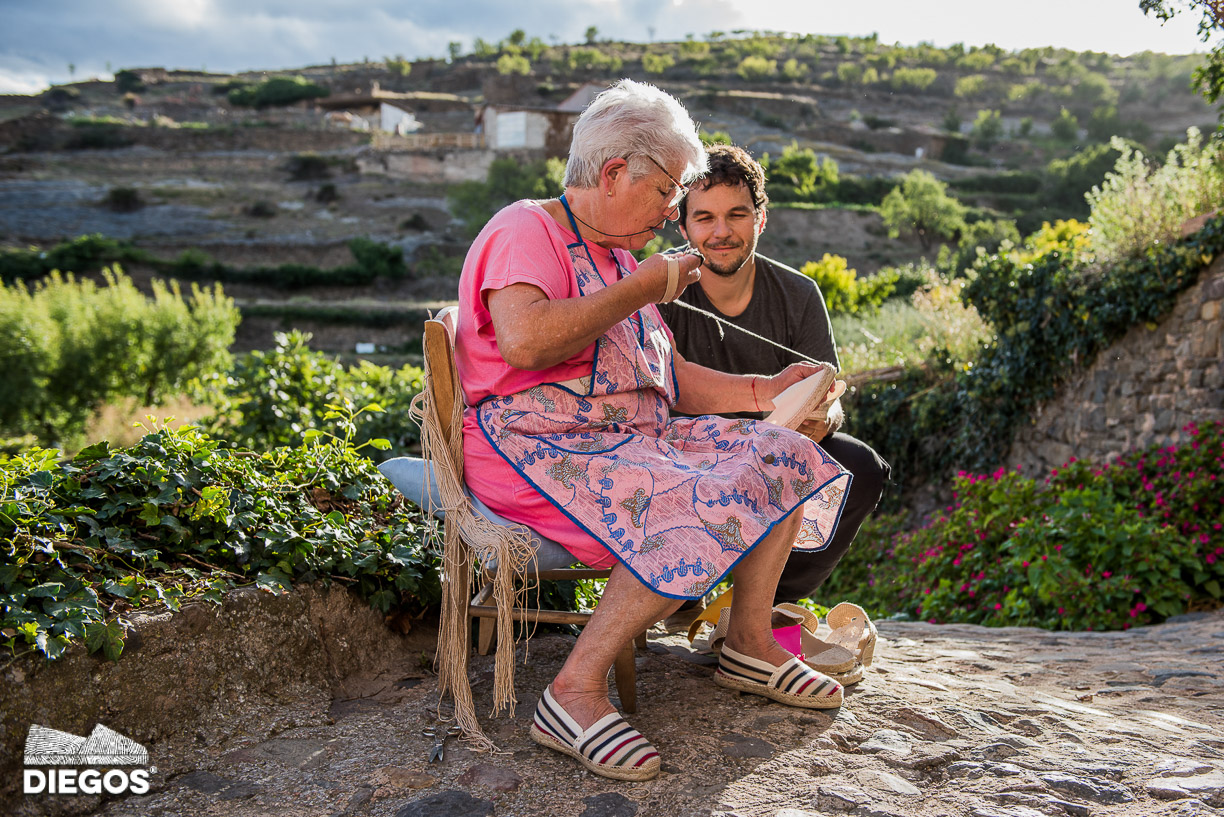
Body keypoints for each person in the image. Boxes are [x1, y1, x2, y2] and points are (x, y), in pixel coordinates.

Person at [453, 81, 853, 781]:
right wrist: (644, 286)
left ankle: (749, 642)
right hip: (536, 447)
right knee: (687, 503)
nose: (674, 213)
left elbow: (666, 375)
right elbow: (525, 341)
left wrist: (766, 392)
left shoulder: (611, 252)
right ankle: (573, 691)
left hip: (630, 438)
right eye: (669, 191)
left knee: (782, 451)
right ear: (614, 174)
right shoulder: (525, 230)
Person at [658, 144, 891, 607]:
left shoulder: (799, 294)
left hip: (777, 452)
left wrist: (824, 418)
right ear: (682, 227)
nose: (721, 232)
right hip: (685, 453)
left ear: (760, 220)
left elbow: (828, 395)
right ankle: (681, 592)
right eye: (704, 218)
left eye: (737, 215)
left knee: (862, 468)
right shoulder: (657, 286)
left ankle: (762, 606)